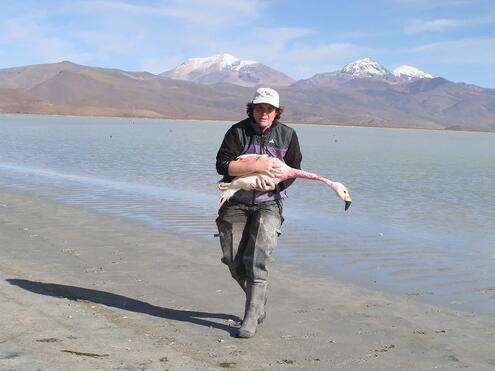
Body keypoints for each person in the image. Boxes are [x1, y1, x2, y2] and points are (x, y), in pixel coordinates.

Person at [215, 87, 302, 338]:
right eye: (259, 107)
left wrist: (276, 184)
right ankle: (258, 301)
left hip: (269, 202)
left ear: (276, 112)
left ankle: (251, 316)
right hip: (236, 201)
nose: (264, 112)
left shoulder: (287, 135)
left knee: (258, 260)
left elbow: (294, 169)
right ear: (252, 109)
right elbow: (222, 165)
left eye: (269, 109)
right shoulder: (237, 132)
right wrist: (258, 165)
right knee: (233, 260)